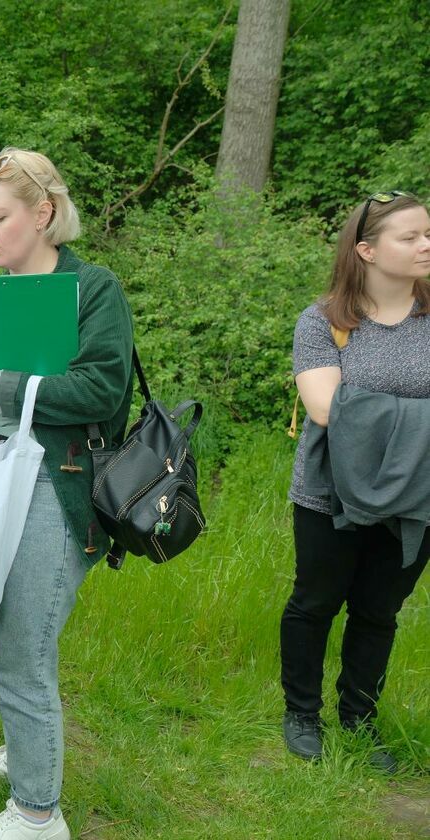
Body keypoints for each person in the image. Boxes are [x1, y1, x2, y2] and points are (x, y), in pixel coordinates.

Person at [0, 148, 134, 840]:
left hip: (62, 488)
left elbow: (103, 392)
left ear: (44, 213)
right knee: (4, 624)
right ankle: (26, 747)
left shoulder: (93, 288)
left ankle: (37, 814)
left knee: (21, 646)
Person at [280, 191, 430, 772]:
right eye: (410, 236)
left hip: (416, 498)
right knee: (315, 602)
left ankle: (360, 720)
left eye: (427, 233)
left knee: (378, 611)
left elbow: (350, 407)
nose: (425, 245)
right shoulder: (325, 322)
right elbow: (324, 408)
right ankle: (301, 714)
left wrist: (367, 405)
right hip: (330, 493)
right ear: (366, 250)